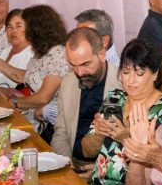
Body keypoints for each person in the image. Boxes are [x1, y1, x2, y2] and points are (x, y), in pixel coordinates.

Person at [88, 40, 162, 185]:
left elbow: (158, 162)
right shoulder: (114, 98)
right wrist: (99, 134)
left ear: (155, 74)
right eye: (126, 72)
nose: (131, 80)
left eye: (139, 73)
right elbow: (87, 150)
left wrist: (124, 138)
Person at [51, 27, 121, 165]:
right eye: (73, 65)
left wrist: (99, 169)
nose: (80, 72)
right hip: (71, 161)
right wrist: (66, 165)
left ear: (102, 55)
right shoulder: (68, 82)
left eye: (86, 64)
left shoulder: (122, 83)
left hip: (106, 167)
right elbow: (60, 133)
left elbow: (128, 142)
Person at [9, 4, 69, 136]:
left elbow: (43, 98)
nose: (23, 32)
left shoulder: (58, 54)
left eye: (25, 27)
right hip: (29, 115)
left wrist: (14, 103)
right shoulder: (40, 53)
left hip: (46, 125)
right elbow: (28, 77)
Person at [0, 8, 33, 90]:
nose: (13, 30)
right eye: (9, 26)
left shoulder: (33, 53)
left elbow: (29, 80)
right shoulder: (7, 50)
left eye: (18, 26)